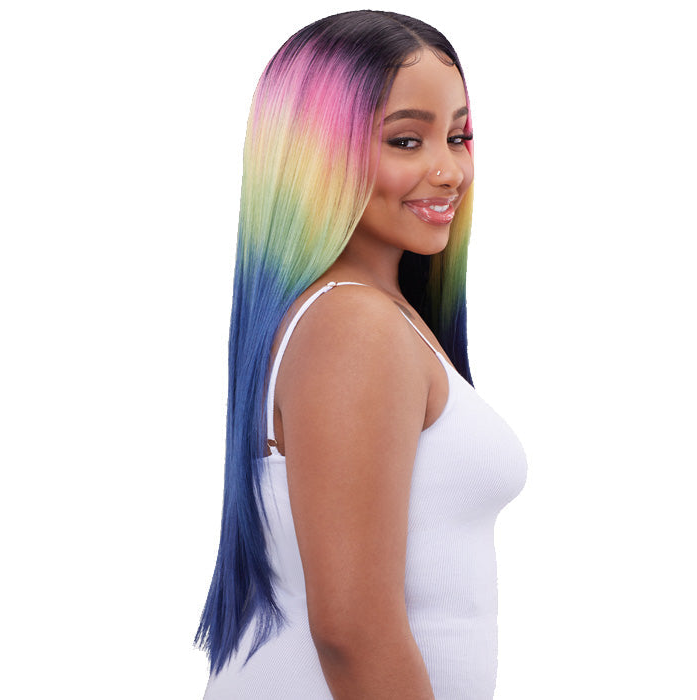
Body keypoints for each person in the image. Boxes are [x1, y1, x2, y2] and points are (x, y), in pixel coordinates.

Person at [195, 10, 527, 699]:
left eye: (458, 136)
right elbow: (352, 631)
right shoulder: (354, 325)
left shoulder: (372, 315)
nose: (449, 170)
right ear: (316, 155)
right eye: (406, 140)